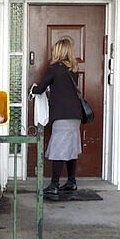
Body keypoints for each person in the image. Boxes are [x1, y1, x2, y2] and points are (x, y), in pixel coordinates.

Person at [30, 38, 83, 196]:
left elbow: (40, 89)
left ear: (58, 51)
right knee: (71, 148)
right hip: (75, 115)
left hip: (62, 115)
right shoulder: (74, 69)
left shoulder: (54, 68)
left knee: (58, 149)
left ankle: (54, 185)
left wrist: (33, 88)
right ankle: (71, 182)